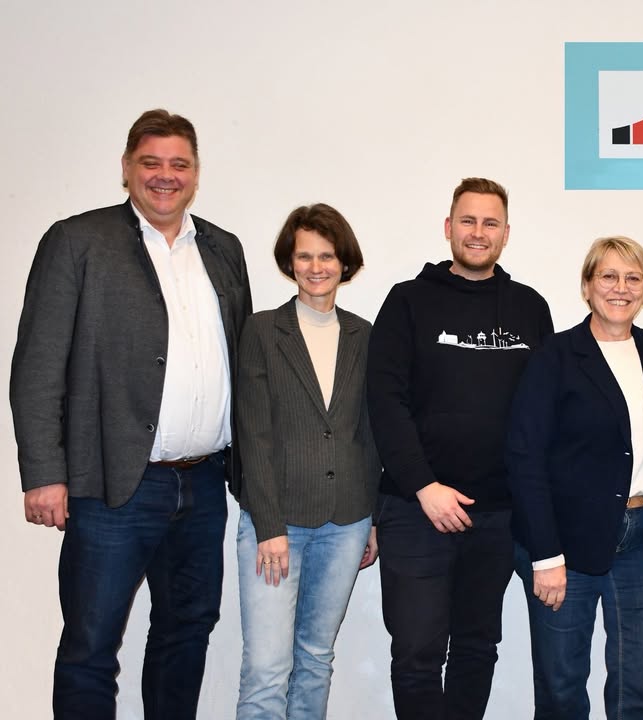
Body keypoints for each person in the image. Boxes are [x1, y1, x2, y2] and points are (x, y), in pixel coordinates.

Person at [10, 109, 251, 720]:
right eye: (151, 162)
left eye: (179, 164)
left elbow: (242, 362)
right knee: (91, 645)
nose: (165, 176)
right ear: (126, 168)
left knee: (187, 630)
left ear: (195, 173)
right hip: (111, 484)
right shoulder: (77, 241)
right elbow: (37, 365)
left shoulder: (223, 249)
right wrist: (44, 474)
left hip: (204, 481)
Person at [366, 177, 554, 719]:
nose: (478, 232)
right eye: (468, 221)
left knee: (477, 648)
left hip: (496, 516)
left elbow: (541, 414)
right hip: (415, 510)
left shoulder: (529, 308)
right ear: (448, 227)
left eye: (490, 223)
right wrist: (425, 487)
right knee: (417, 654)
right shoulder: (407, 301)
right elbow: (385, 402)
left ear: (506, 233)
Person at [506, 236, 643, 720]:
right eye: (608, 276)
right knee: (562, 690)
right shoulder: (556, 355)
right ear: (587, 286)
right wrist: (545, 554)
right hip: (564, 546)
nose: (621, 288)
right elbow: (525, 456)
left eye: (633, 278)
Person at [234, 204, 380, 719]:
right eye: (304, 256)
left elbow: (370, 432)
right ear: (289, 262)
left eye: (327, 256)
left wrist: (372, 518)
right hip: (277, 524)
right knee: (267, 668)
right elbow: (252, 434)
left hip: (347, 521)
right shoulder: (261, 331)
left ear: (344, 263)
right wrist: (269, 526)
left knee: (316, 658)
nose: (316, 267)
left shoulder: (364, 335)